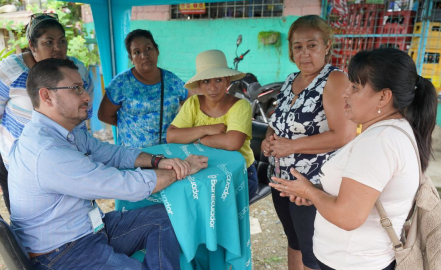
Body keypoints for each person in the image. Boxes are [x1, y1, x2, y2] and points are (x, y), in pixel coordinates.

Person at [9, 58, 209, 270]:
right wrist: (181, 169)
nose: (86, 96)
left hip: (89, 228)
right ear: (46, 96)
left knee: (168, 217)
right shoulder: (47, 152)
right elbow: (123, 185)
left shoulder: (67, 133)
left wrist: (158, 161)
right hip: (61, 252)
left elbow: (112, 153)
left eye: (83, 87)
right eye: (76, 89)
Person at [269, 48, 438, 270]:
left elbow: (348, 216)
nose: (344, 93)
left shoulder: (379, 142)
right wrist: (318, 193)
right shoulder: (394, 130)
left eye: (355, 87)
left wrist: (309, 192)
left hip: (353, 262)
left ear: (383, 97)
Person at [260, 15, 357, 270]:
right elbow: (279, 122)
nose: (305, 53)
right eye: (298, 46)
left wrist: (291, 146)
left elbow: (344, 135)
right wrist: (269, 140)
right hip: (283, 180)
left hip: (313, 184)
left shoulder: (335, 80)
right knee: (294, 241)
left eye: (312, 45)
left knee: (314, 252)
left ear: (326, 46)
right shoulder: (291, 79)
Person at [0, 13, 94, 213]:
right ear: (32, 45)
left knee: (67, 211)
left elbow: (86, 105)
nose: (57, 48)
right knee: (25, 217)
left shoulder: (76, 68)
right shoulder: (11, 70)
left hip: (65, 155)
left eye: (62, 41)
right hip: (18, 161)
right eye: (48, 42)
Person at [166, 49, 258, 200]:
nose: (212, 87)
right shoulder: (193, 103)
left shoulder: (241, 105)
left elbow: (232, 142)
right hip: (204, 172)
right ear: (200, 85)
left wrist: (197, 139)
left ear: (228, 80)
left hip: (240, 174)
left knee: (219, 211)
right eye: (206, 81)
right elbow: (171, 136)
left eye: (218, 80)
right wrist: (207, 129)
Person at [98, 29, 189, 148]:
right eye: (137, 52)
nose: (144, 56)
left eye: (148, 48)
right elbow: (104, 115)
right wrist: (131, 126)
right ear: (131, 58)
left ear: (157, 50)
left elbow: (192, 105)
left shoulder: (173, 81)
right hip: (133, 157)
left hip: (168, 153)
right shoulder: (121, 83)